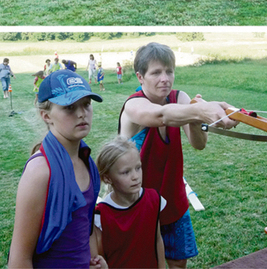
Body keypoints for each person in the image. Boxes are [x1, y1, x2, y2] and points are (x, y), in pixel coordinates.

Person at [118, 42, 236, 268]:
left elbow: (198, 144)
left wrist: (197, 117)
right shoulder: (134, 106)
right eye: (156, 72)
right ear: (140, 77)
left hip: (173, 199)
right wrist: (200, 109)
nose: (165, 78)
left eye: (169, 71)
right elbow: (162, 115)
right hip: (138, 205)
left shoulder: (180, 98)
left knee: (178, 263)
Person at [8, 70, 106, 269]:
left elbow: (84, 232)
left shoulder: (87, 162)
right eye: (69, 107)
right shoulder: (40, 172)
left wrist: (94, 260)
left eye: (86, 104)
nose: (81, 113)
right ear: (46, 115)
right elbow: (19, 260)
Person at [95, 137, 166, 268]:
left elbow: (157, 240)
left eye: (138, 168)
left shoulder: (154, 200)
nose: (135, 176)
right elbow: (100, 258)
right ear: (107, 178)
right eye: (126, 172)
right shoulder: (100, 216)